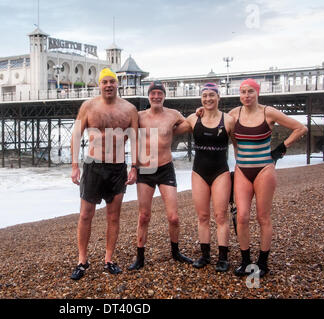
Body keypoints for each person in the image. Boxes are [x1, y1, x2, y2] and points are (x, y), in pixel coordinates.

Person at [230, 78, 308, 277]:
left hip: (264, 169)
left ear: (258, 93)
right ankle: (246, 262)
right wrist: (200, 113)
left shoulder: (268, 112)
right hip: (241, 171)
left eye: (250, 92)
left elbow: (301, 128)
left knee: (262, 217)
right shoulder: (234, 114)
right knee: (242, 216)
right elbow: (218, 125)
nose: (246, 96)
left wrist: (280, 150)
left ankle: (263, 263)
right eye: (243, 92)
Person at [70, 68, 139, 280]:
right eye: (104, 82)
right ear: (99, 85)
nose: (108, 85)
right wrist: (74, 165)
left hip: (117, 168)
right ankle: (82, 261)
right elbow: (76, 134)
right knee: (85, 214)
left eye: (112, 82)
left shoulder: (129, 109)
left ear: (117, 84)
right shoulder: (88, 106)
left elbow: (135, 140)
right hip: (93, 165)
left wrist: (134, 167)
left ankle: (109, 260)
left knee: (113, 216)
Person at [128, 81, 193, 271]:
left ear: (164, 96)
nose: (156, 96)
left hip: (165, 168)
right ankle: (140, 257)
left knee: (173, 217)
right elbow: (126, 135)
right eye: (153, 93)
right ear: (148, 96)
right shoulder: (139, 116)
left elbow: (189, 124)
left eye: (159, 93)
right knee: (144, 216)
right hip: (145, 169)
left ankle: (175, 252)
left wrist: (196, 116)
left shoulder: (173, 114)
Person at [179, 83, 236, 272]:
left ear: (219, 97)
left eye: (212, 95)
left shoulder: (228, 120)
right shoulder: (193, 119)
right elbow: (169, 129)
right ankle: (204, 255)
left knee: (221, 216)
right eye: (205, 96)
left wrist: (243, 169)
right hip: (199, 173)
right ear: (201, 99)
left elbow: (238, 146)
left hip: (221, 172)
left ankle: (223, 258)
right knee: (203, 216)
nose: (208, 99)